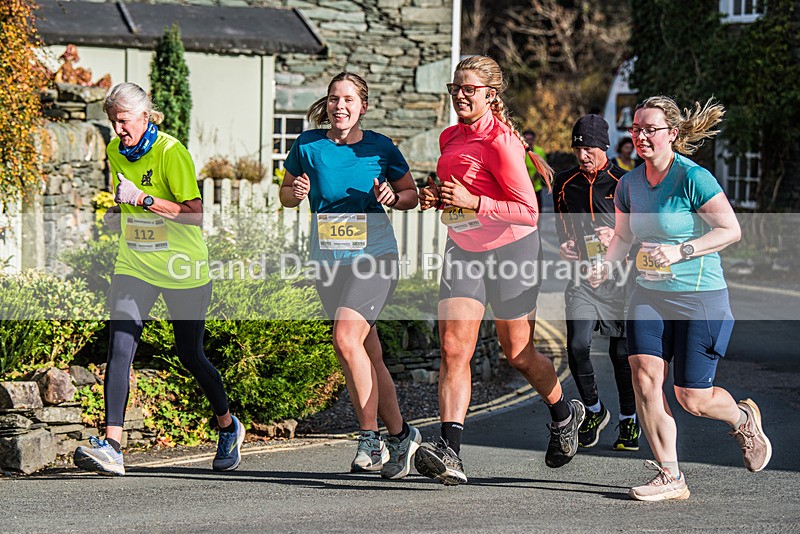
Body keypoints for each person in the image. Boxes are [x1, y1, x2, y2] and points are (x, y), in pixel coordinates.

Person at [589, 96, 772, 501]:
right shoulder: (630, 184)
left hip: (699, 296)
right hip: (649, 294)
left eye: (650, 129)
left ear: (672, 133)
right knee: (644, 377)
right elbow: (622, 236)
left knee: (692, 398)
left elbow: (730, 230)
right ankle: (670, 476)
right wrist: (605, 264)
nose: (640, 136)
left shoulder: (693, 177)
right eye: (635, 128)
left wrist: (681, 250)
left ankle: (742, 418)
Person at [415, 55, 585, 486]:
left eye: (469, 88)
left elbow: (528, 212)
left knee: (519, 355)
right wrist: (440, 199)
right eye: (455, 88)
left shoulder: (502, 142)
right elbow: (464, 194)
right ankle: (450, 450)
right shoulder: (450, 136)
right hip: (464, 248)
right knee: (455, 348)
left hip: (513, 252)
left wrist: (475, 203)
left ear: (491, 94)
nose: (460, 95)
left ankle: (564, 412)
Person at [73, 83, 243, 476]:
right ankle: (113, 445)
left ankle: (228, 425)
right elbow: (127, 200)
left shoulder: (171, 152)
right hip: (134, 265)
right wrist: (118, 215)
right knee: (119, 347)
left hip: (183, 269)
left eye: (124, 121)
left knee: (190, 354)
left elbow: (195, 214)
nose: (118, 130)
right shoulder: (116, 151)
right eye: (113, 122)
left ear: (145, 116)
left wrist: (143, 200)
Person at [279, 72, 422, 479]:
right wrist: (298, 193)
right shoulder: (308, 145)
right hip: (329, 261)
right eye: (333, 99)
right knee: (366, 353)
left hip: (374, 256)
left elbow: (409, 194)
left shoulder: (380, 148)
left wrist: (394, 197)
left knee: (345, 337)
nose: (339, 106)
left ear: (363, 105)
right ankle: (401, 435)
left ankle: (369, 439)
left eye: (347, 99)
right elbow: (286, 194)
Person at [553, 114, 640, 451]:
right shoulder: (564, 182)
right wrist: (565, 244)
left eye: (588, 147)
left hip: (619, 280)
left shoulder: (626, 181)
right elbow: (562, 225)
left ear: (604, 146)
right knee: (576, 345)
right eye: (578, 147)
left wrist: (618, 237)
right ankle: (593, 410)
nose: (582, 154)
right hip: (582, 278)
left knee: (621, 355)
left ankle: (629, 420)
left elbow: (643, 232)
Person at [523, 129, 547, 209]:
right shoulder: (521, 151)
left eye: (531, 139)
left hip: (536, 187)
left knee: (538, 210)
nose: (529, 142)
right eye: (527, 140)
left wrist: (533, 180)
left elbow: (542, 167)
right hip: (524, 188)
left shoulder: (539, 151)